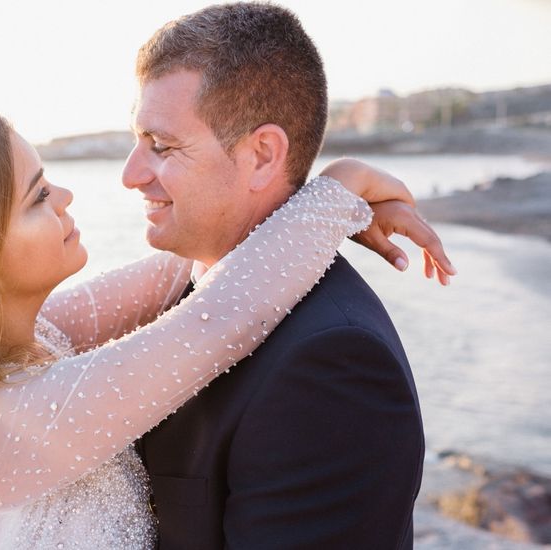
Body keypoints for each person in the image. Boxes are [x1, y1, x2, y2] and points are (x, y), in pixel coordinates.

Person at [0, 104, 453, 549]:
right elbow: (220, 320)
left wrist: (277, 197)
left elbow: (187, 261)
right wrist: (340, 187)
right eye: (36, 198)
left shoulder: (28, 344)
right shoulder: (2, 421)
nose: (67, 196)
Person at [124, 4, 443, 548]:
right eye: (137, 141)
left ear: (263, 156)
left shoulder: (332, 367)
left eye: (163, 146)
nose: (131, 175)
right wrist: (337, 190)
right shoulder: (177, 288)